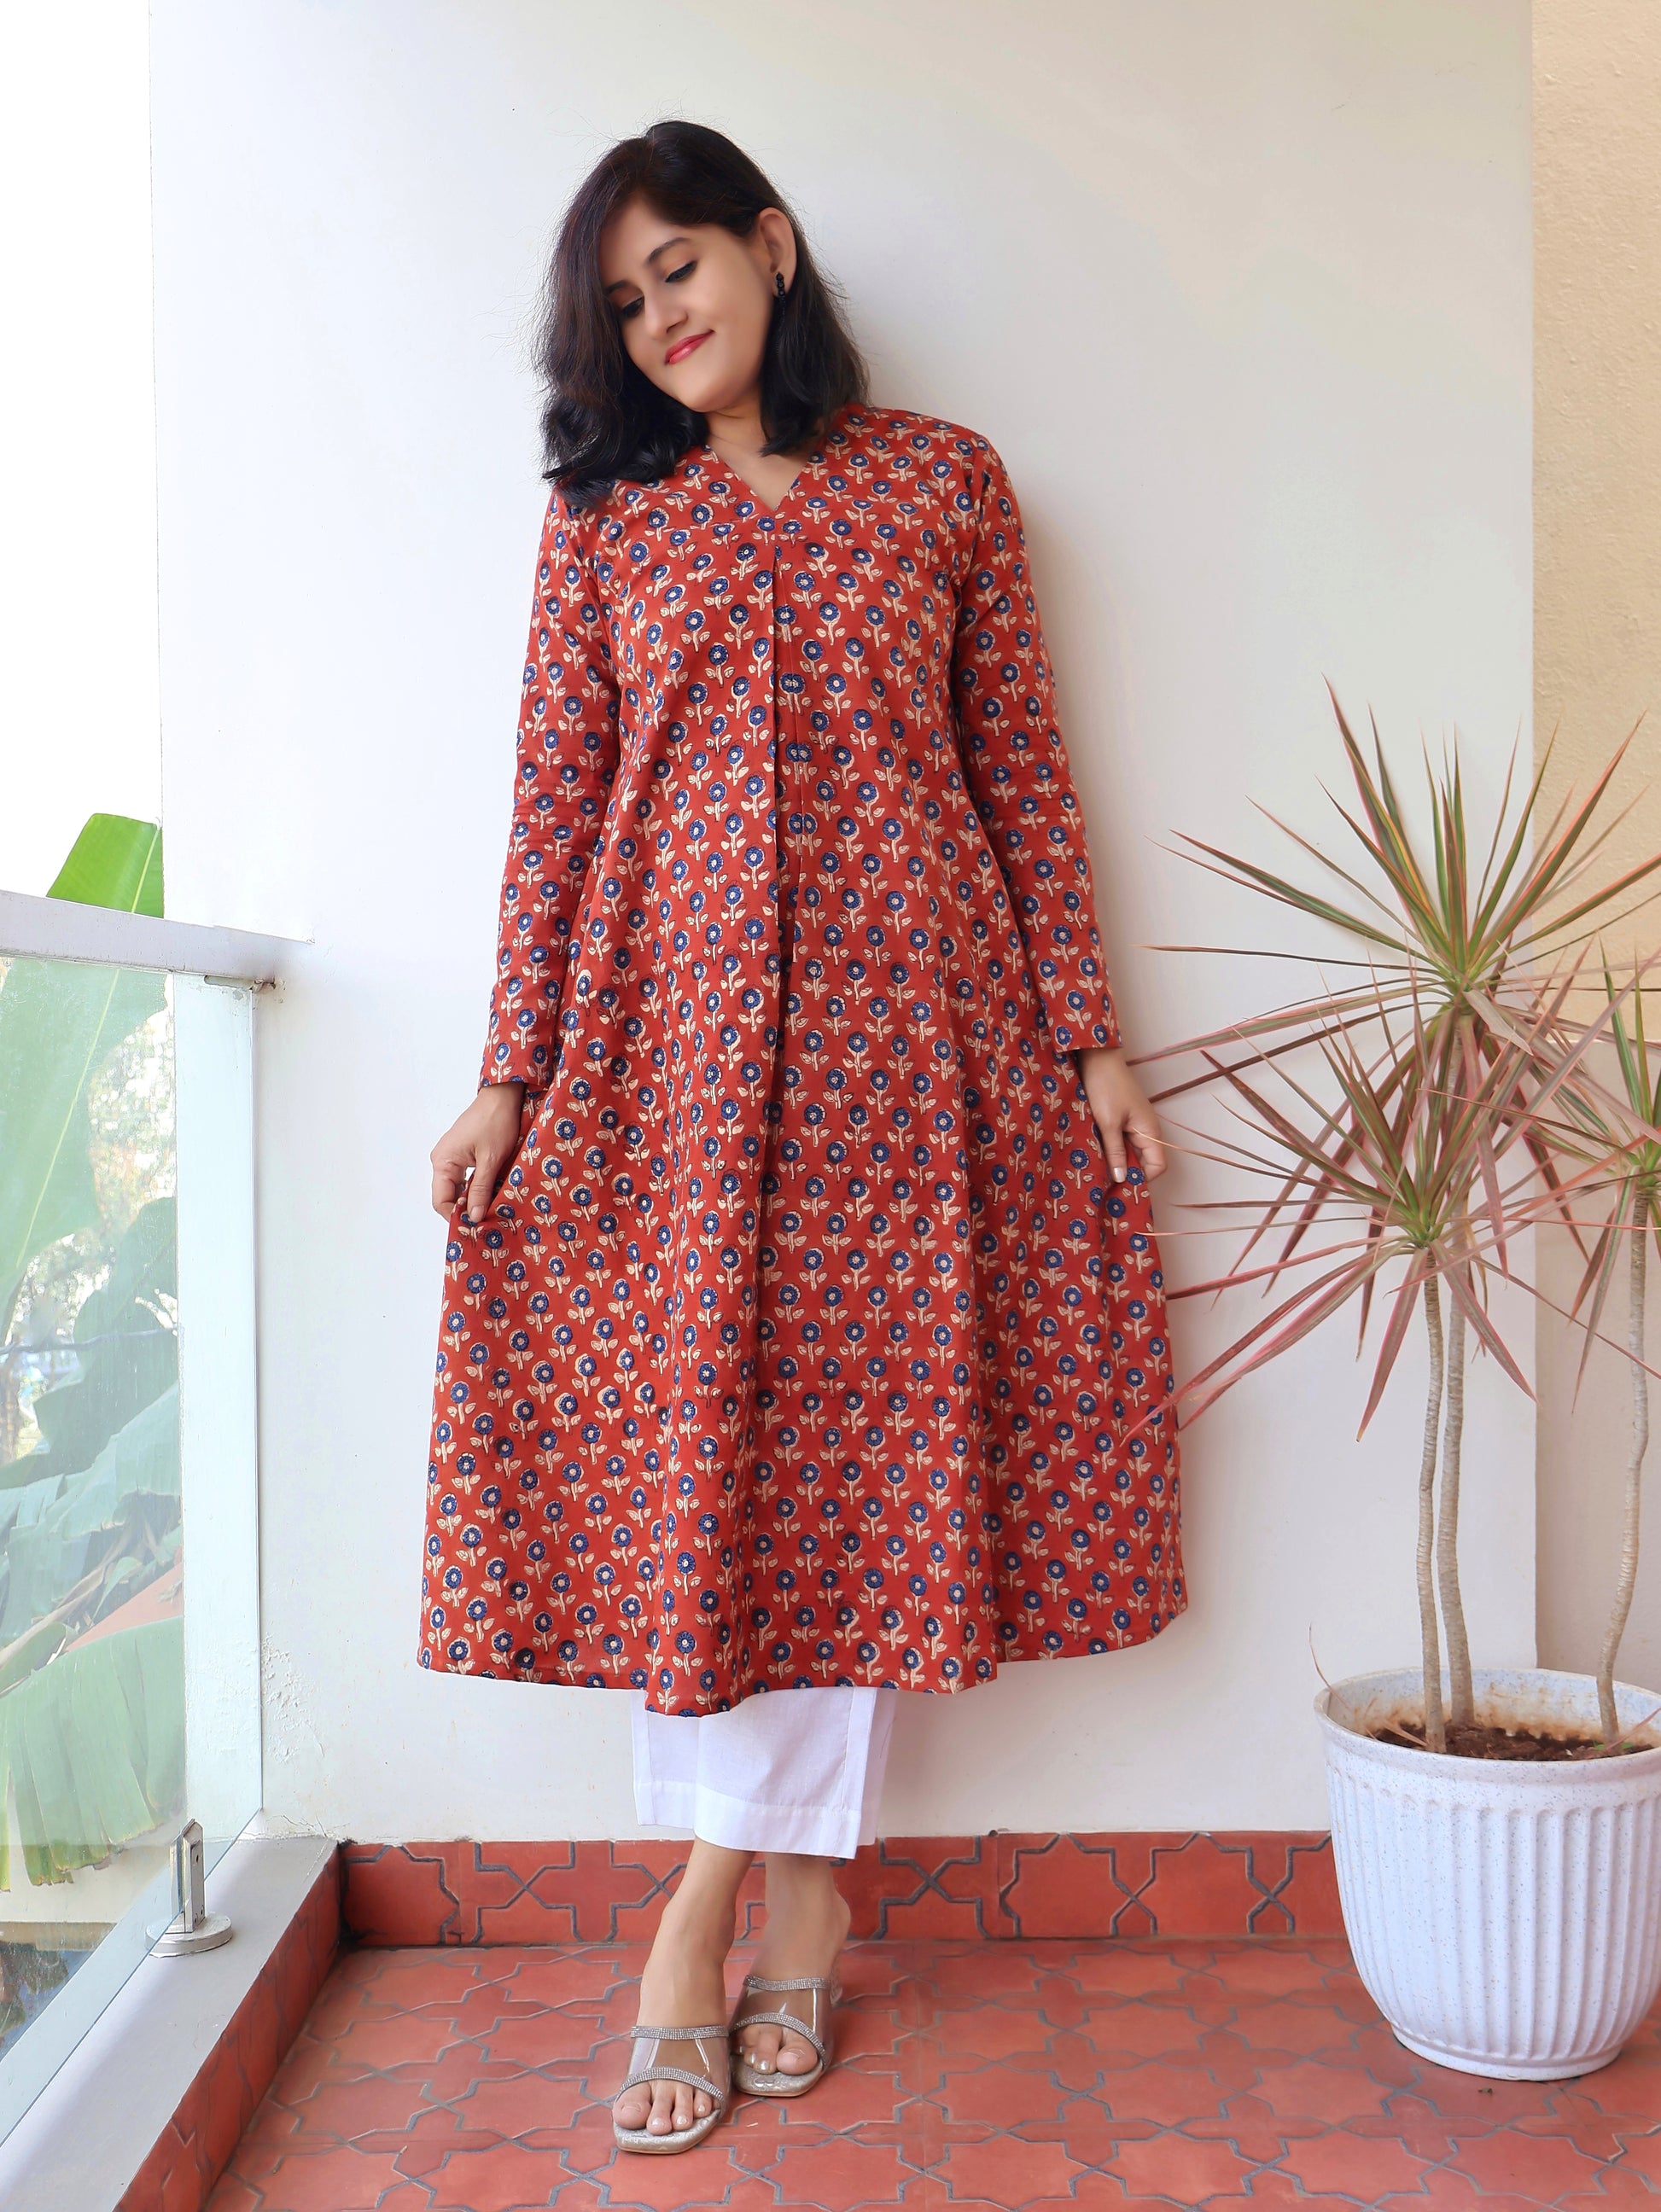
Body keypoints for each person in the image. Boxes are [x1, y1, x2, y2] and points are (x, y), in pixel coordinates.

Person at [422, 119, 1186, 2155]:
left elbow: (1021, 774)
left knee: (860, 1475)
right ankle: (801, 1902)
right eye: (620, 304)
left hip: (911, 1056)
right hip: (673, 1054)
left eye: (676, 268)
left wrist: (1088, 1039)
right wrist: (512, 1072)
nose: (657, 319)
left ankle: (702, 1917)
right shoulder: (605, 520)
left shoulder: (943, 483)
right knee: (715, 1478)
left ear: (767, 245)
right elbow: (555, 803)